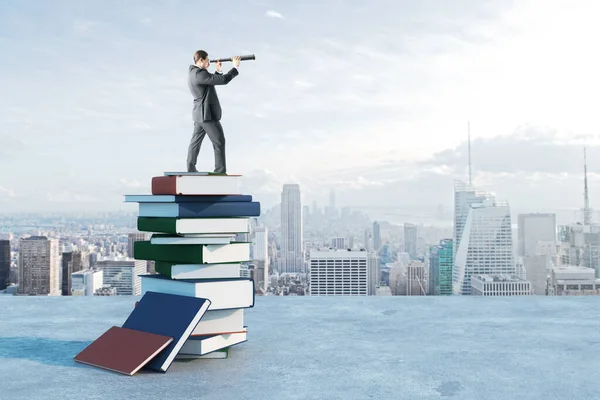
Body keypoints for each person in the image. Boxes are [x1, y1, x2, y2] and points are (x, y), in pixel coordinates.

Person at [186, 50, 241, 173]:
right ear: (200, 60)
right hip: (207, 115)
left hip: (199, 115)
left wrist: (218, 71)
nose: (209, 63)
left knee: (195, 143)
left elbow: (210, 82)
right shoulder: (199, 74)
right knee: (219, 142)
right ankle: (220, 171)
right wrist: (235, 67)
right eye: (207, 60)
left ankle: (190, 168)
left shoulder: (194, 73)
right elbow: (223, 80)